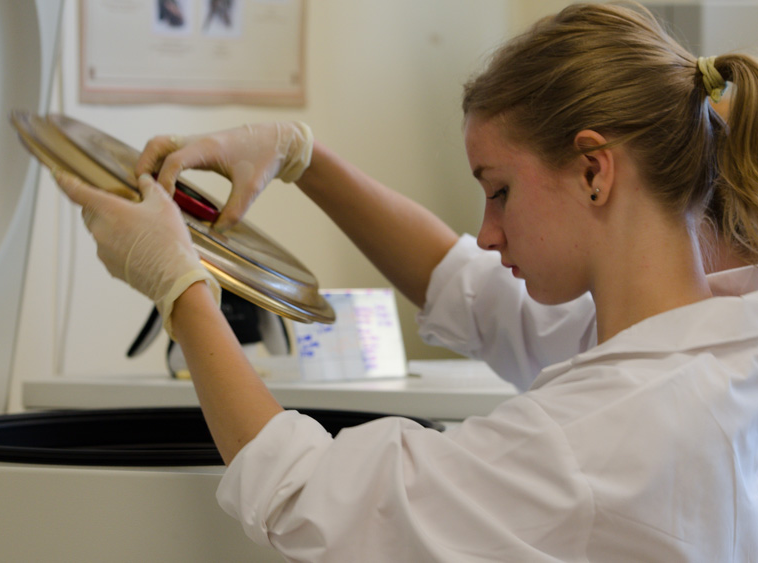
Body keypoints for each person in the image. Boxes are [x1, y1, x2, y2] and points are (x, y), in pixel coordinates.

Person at [53, 2, 758, 560]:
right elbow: (474, 290)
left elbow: (306, 495)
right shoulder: (715, 342)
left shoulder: (595, 437)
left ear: (594, 171)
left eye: (500, 190)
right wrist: (301, 157)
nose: (487, 232)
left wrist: (179, 286)